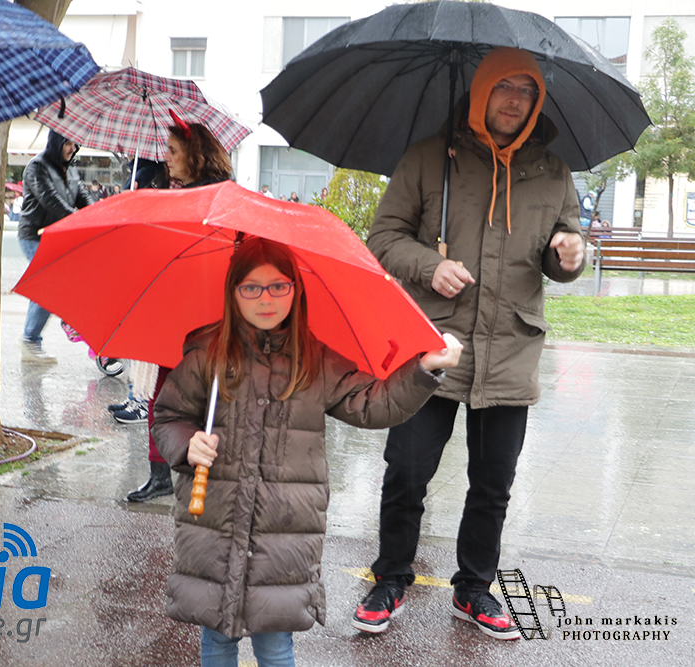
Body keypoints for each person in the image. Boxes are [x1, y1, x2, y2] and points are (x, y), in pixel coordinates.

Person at [356, 47, 585, 640]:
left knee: (492, 485)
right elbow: (382, 238)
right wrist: (428, 266)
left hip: (511, 347)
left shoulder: (552, 171)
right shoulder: (430, 157)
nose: (516, 100)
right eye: (504, 86)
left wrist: (570, 256)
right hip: (433, 344)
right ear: (481, 91)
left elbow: (563, 250)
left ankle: (474, 588)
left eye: (527, 91)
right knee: (407, 471)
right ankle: (390, 578)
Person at [152, 238, 461, 665]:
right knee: (217, 639)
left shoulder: (314, 360)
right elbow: (168, 416)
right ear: (232, 292)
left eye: (278, 286)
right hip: (215, 525)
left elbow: (374, 404)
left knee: (276, 645)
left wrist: (425, 370)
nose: (266, 299)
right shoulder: (209, 353)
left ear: (295, 290)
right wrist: (188, 443)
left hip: (285, 531)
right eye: (251, 287)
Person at [124, 115, 233, 502]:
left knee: (205, 395)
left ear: (194, 154)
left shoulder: (219, 196)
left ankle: (207, 471)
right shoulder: (164, 188)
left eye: (173, 151)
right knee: (161, 394)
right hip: (168, 306)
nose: (166, 158)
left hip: (205, 313)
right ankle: (159, 474)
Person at [18, 131, 94, 362]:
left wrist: (96, 213)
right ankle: (31, 341)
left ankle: (68, 319)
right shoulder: (37, 167)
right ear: (56, 142)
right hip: (35, 236)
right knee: (48, 284)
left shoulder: (70, 169)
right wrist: (78, 218)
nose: (72, 148)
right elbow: (50, 200)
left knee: (65, 279)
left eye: (75, 143)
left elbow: (82, 196)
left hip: (59, 237)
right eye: (67, 143)